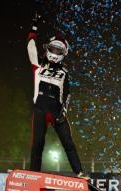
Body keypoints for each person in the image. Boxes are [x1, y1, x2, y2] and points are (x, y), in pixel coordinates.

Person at [27, 13, 89, 179]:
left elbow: (68, 94)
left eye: (58, 50)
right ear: (47, 49)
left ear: (64, 52)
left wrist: (64, 112)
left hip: (57, 113)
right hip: (40, 110)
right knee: (37, 144)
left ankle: (80, 172)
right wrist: (34, 26)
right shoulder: (37, 65)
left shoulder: (64, 72)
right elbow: (30, 46)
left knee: (68, 143)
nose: (54, 53)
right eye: (52, 49)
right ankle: (34, 175)